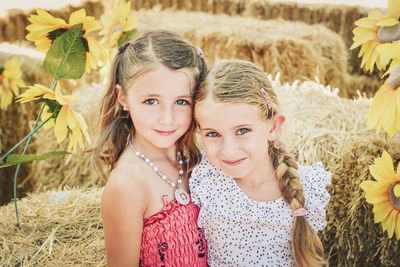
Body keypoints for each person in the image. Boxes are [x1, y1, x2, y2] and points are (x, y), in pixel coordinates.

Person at [191, 59, 331, 267]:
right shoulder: (204, 176)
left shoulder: (306, 188)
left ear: (273, 127)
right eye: (213, 134)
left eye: (243, 131)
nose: (228, 150)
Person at [94, 30, 207, 267]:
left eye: (181, 101)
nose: (167, 119)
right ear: (122, 97)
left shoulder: (200, 157)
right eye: (151, 101)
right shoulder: (127, 186)